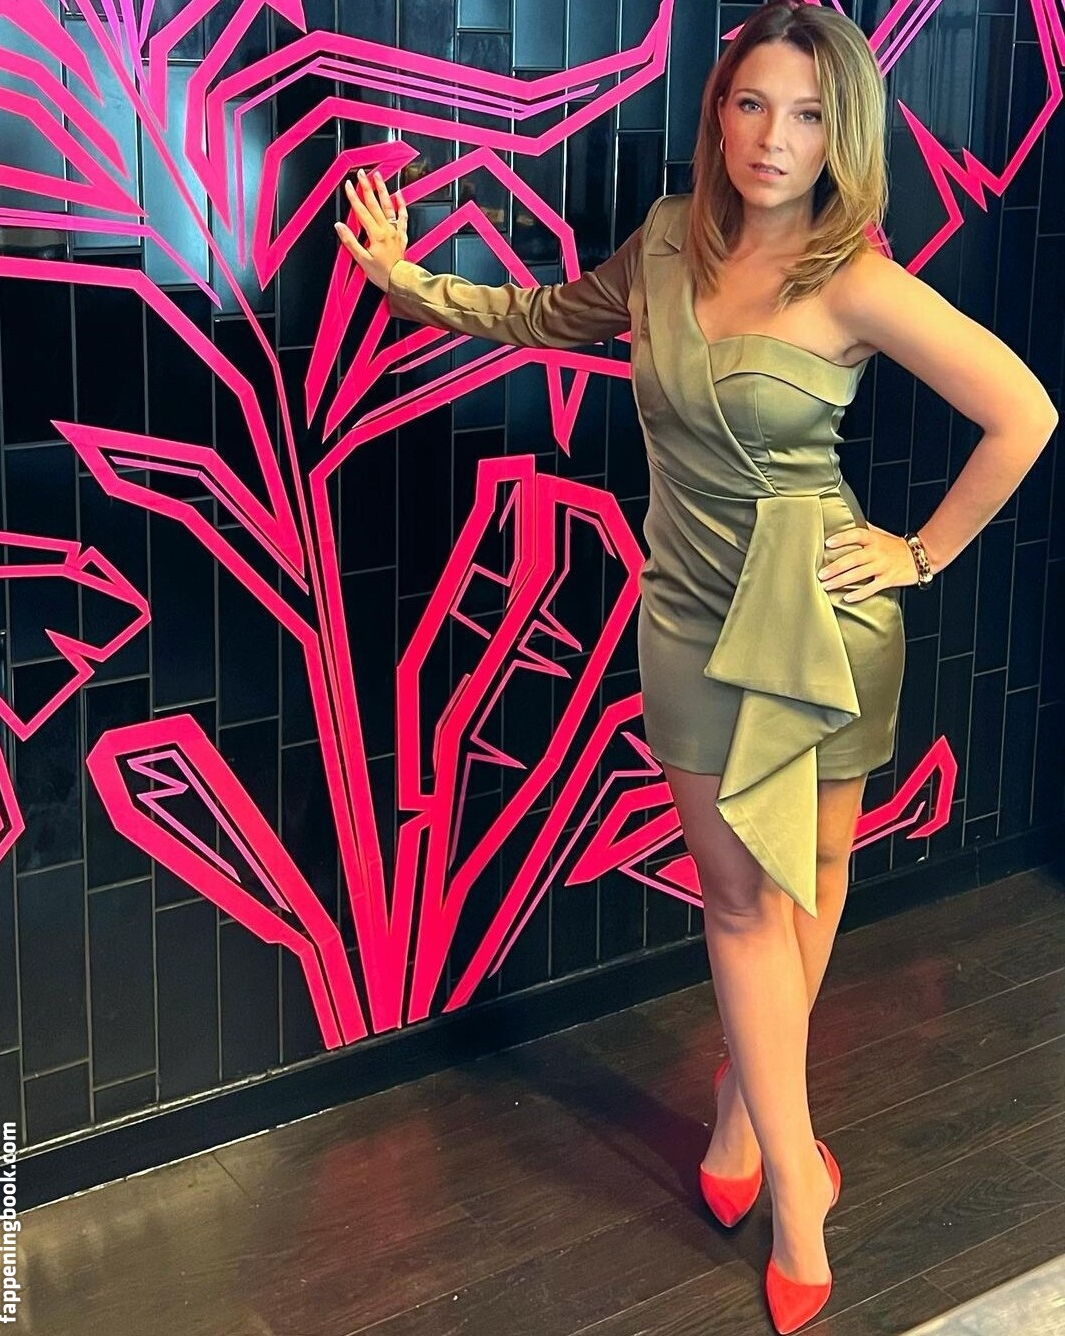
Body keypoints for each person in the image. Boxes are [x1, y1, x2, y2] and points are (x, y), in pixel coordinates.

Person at [334, 2, 1057, 1329]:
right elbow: (547, 315)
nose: (775, 138)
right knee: (738, 903)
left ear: (842, 136)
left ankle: (742, 1119)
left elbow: (1025, 411)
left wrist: (919, 553)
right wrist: (408, 284)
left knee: (816, 875)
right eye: (752, 104)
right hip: (688, 619)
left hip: (826, 623)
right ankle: (799, 1187)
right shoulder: (667, 240)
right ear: (718, 112)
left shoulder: (857, 279)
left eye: (807, 115)